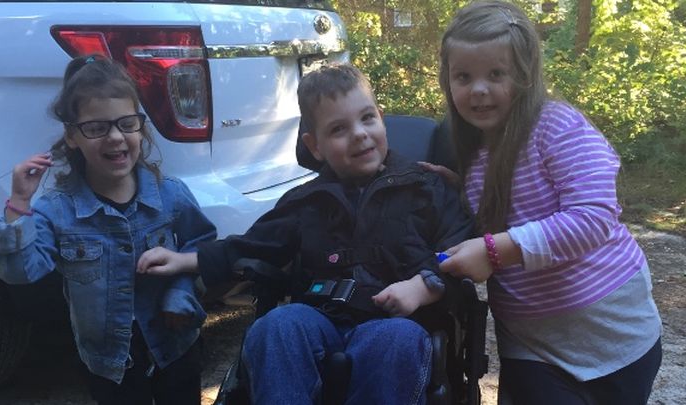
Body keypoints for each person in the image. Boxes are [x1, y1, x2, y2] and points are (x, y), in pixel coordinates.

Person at [137, 63, 474, 404]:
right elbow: (252, 245)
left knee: (396, 340)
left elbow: (458, 251)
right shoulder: (304, 201)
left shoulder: (427, 188)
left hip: (397, 321)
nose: (359, 133)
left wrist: (423, 286)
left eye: (367, 118)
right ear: (315, 146)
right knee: (276, 326)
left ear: (381, 119)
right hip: (321, 318)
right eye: (339, 129)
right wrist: (185, 260)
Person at [431, 1, 663, 404]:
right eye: (463, 76)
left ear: (524, 75)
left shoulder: (557, 126)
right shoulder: (469, 151)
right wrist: (453, 193)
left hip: (615, 336)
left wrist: (495, 251)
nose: (478, 89)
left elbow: (593, 218)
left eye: (496, 74)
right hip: (532, 347)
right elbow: (501, 215)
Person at [0, 55, 216, 405]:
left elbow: (202, 246)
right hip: (108, 365)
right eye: (96, 128)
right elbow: (19, 272)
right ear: (72, 136)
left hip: (176, 347)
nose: (115, 137)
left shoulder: (170, 194)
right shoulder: (56, 210)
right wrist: (18, 203)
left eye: (127, 123)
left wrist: (180, 292)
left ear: (140, 127)